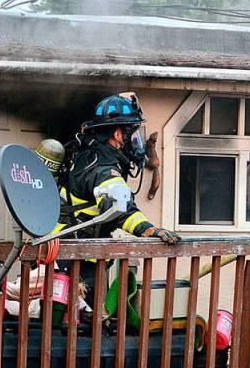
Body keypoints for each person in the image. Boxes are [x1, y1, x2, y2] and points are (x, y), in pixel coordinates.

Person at [61, 93, 181, 312]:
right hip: (76, 260)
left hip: (68, 252)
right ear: (117, 134)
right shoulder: (104, 170)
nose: (135, 142)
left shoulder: (86, 154)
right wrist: (150, 230)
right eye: (133, 134)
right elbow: (122, 209)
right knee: (83, 329)